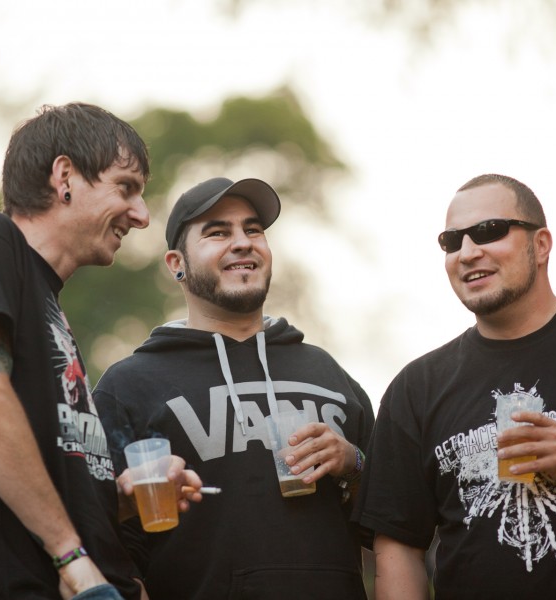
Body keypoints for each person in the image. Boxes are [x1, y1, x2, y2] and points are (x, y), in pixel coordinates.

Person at [0, 102, 201, 600]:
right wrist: (74, 561)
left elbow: (45, 477)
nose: (141, 215)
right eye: (126, 188)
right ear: (64, 176)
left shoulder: (47, 303)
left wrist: (123, 498)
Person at [358, 173, 556, 599]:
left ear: (540, 245)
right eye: (452, 241)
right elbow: (397, 546)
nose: (468, 252)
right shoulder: (416, 387)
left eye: (490, 230)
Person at [93, 177, 376, 600]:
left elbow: (393, 525)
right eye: (218, 232)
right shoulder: (128, 386)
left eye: (253, 229)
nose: (243, 242)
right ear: (176, 263)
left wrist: (353, 463)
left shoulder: (330, 375)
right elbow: (103, 541)